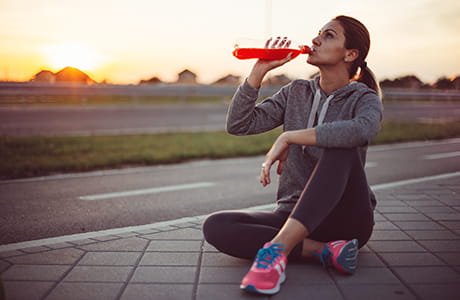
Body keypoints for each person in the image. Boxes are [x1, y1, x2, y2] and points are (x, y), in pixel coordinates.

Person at [202, 15, 383, 295]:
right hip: (292, 213)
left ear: (351, 54)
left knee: (341, 149)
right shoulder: (296, 91)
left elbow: (360, 131)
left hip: (347, 220)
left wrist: (289, 136)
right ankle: (324, 252)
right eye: (318, 33)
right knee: (217, 225)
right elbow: (240, 124)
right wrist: (258, 71)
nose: (316, 40)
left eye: (329, 35)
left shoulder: (364, 98)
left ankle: (275, 253)